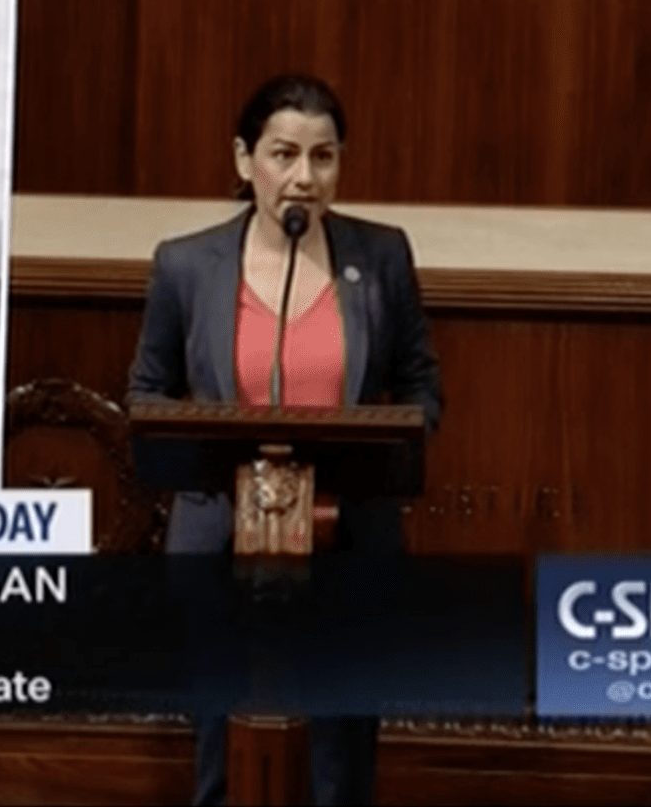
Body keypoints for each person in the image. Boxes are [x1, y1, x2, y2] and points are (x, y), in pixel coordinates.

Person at [128, 74, 443, 806]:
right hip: (221, 535)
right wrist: (212, 454)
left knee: (341, 754)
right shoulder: (185, 264)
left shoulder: (381, 256)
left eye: (323, 157)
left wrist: (392, 444)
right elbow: (146, 392)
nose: (304, 177)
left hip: (347, 530)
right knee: (223, 746)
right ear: (244, 159)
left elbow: (422, 384)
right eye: (283, 154)